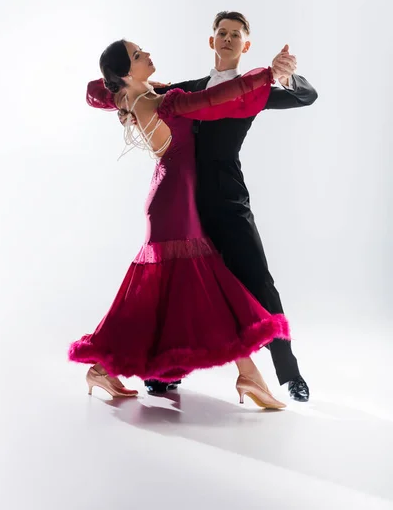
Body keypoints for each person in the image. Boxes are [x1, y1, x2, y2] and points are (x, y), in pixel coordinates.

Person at [68, 38, 295, 409]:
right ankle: (248, 373)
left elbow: (98, 90)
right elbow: (217, 98)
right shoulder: (162, 102)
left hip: (168, 198)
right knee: (203, 284)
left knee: (163, 292)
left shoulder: (131, 97)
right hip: (174, 202)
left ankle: (103, 367)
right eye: (140, 56)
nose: (149, 55)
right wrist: (267, 74)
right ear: (127, 71)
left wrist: (138, 83)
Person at [120, 12, 318, 401]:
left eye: (236, 35)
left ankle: (289, 372)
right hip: (182, 204)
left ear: (246, 46)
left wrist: (286, 74)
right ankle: (163, 373)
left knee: (259, 280)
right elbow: (129, 95)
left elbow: (305, 96)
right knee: (179, 288)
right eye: (221, 33)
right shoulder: (186, 89)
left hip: (228, 202)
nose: (227, 39)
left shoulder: (254, 90)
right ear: (212, 42)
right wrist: (122, 86)